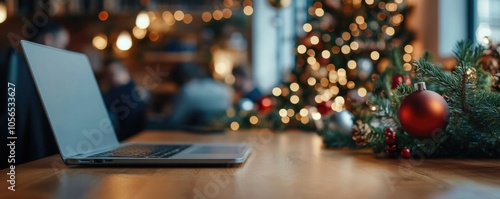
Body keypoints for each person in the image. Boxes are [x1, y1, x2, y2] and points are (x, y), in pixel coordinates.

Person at [0, 20, 69, 168]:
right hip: (26, 168)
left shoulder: (13, 61)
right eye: (63, 45)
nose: (63, 51)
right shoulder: (41, 73)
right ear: (48, 40)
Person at [150, 62, 231, 129]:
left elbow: (175, 120)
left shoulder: (187, 90)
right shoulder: (222, 87)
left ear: (181, 78)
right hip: (221, 132)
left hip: (193, 135)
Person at [101, 59, 146, 141]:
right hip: (139, 137)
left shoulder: (118, 92)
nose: (110, 79)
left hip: (125, 140)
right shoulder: (134, 88)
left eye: (111, 74)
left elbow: (100, 106)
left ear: (124, 72)